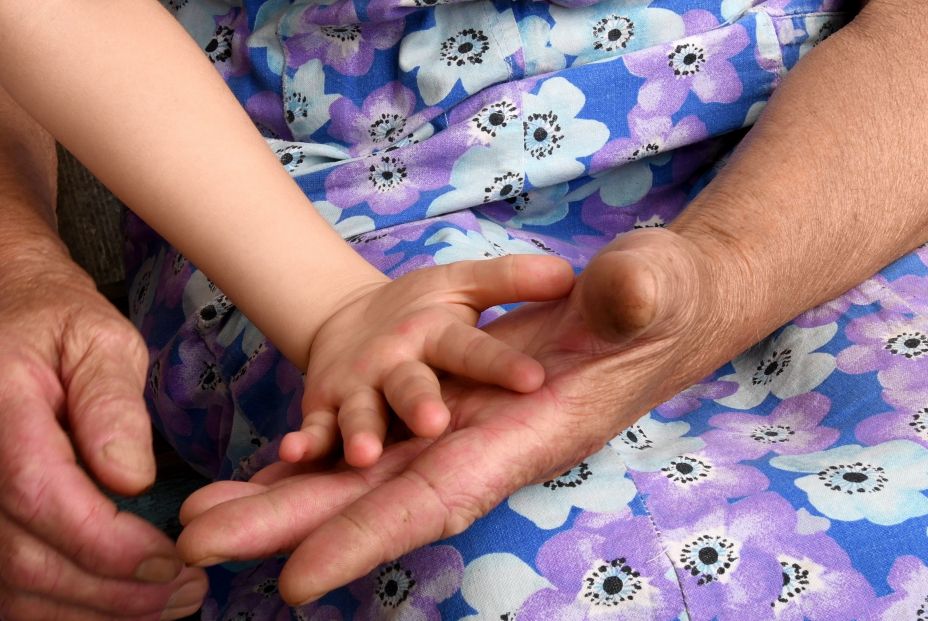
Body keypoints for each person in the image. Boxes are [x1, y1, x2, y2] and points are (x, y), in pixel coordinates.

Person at [1, 0, 927, 618]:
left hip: (818, 156)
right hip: (332, 199)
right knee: (504, 564)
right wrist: (334, 309)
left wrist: (732, 269)